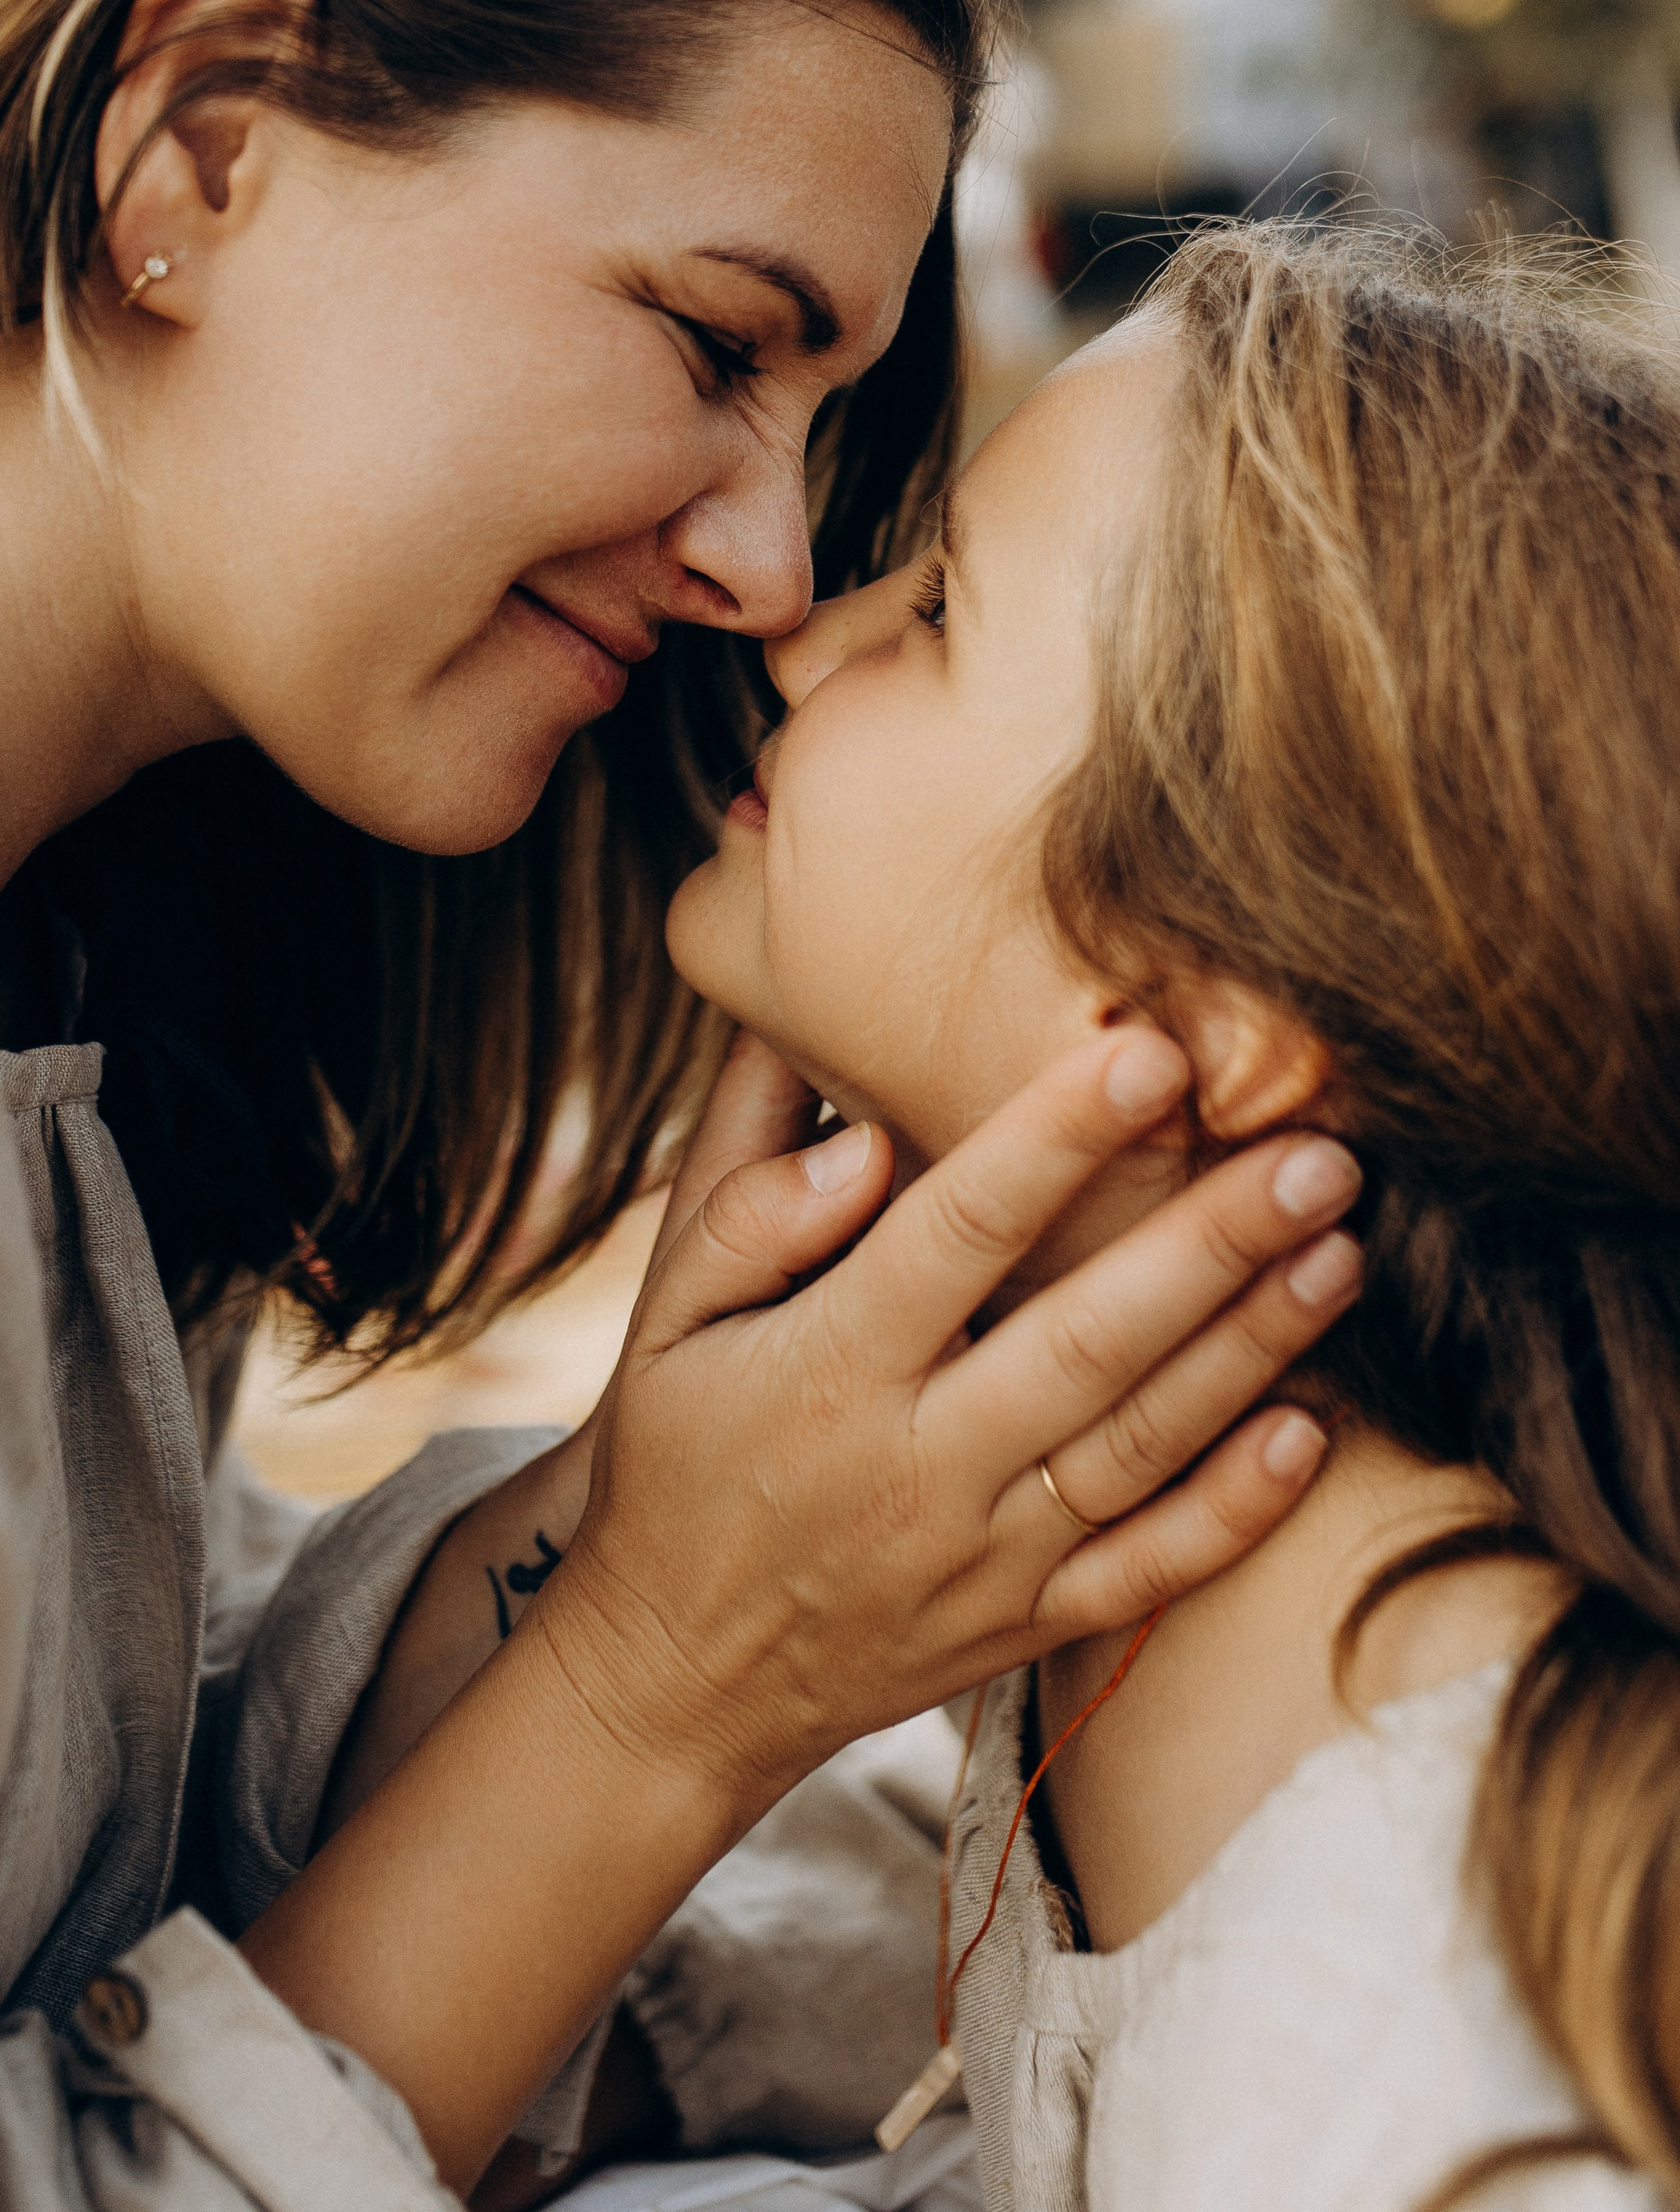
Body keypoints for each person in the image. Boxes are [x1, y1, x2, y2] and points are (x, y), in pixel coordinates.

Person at [0, 0, 1351, 2212]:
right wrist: (666, 1672)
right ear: (205, 126)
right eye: (711, 338)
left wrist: (716, 1519)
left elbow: (61, 1835)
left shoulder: (52, 910)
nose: (775, 574)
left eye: (829, 417)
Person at [667, 218, 1680, 2212]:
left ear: (1210, 1009)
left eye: (942, 606)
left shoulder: (1407, 2010)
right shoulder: (1168, 1555)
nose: (802, 628)